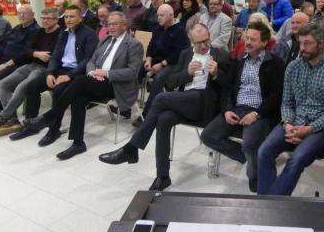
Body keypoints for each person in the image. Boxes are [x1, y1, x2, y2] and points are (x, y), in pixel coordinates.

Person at [99, 23, 231, 191]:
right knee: (163, 119)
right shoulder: (186, 54)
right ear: (191, 41)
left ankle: (132, 147)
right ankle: (163, 176)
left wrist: (217, 73)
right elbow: (171, 82)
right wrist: (187, 74)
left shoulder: (221, 55)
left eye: (206, 41)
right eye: (199, 43)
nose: (204, 46)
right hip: (184, 101)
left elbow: (229, 86)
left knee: (160, 98)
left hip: (205, 104)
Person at [22, 11, 143, 159]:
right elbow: (91, 60)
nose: (110, 27)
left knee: (79, 80)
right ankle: (78, 143)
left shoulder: (133, 44)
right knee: (78, 99)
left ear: (124, 25)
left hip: (116, 85)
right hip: (96, 80)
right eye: (109, 24)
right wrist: (92, 72)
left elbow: (132, 72)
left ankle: (51, 116)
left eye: (115, 24)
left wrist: (106, 73)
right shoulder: (105, 39)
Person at [257, 22, 324, 196]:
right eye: (300, 43)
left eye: (308, 43)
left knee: (296, 159)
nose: (302, 48)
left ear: (320, 44)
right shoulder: (293, 67)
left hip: (322, 127)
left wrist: (308, 129)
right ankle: (267, 202)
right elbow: (287, 102)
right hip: (294, 121)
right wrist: (288, 124)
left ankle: (271, 203)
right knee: (264, 151)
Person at [202, 21, 285, 192]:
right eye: (247, 38)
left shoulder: (275, 63)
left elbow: (275, 96)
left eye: (253, 39)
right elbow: (228, 88)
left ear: (264, 42)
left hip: (259, 112)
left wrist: (257, 114)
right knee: (208, 136)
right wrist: (227, 110)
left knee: (249, 143)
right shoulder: (239, 60)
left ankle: (254, 176)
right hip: (237, 108)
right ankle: (247, 157)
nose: (247, 42)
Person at [18, 5, 98, 146]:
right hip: (60, 69)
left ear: (80, 18)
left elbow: (87, 60)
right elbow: (55, 56)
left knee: (58, 91)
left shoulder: (89, 34)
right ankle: (31, 125)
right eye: (66, 16)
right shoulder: (64, 33)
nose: (68, 19)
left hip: (77, 72)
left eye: (72, 16)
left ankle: (53, 130)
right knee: (32, 86)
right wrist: (49, 73)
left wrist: (70, 75)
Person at [0, 7, 62, 139]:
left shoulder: (60, 34)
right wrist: (36, 53)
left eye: (48, 19)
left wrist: (33, 53)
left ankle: (0, 120)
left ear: (56, 19)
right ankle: (12, 119)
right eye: (43, 18)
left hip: (44, 69)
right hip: (31, 65)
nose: (45, 21)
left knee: (21, 87)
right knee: (2, 84)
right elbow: (26, 51)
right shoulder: (40, 31)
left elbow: (51, 56)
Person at [135, 4, 190, 124]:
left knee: (159, 78)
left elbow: (179, 53)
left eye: (162, 15)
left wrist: (162, 64)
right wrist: (149, 59)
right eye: (158, 15)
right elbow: (151, 45)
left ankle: (147, 114)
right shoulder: (158, 28)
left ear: (171, 15)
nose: (159, 18)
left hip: (173, 63)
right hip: (157, 59)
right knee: (137, 69)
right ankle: (126, 105)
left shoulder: (180, 30)